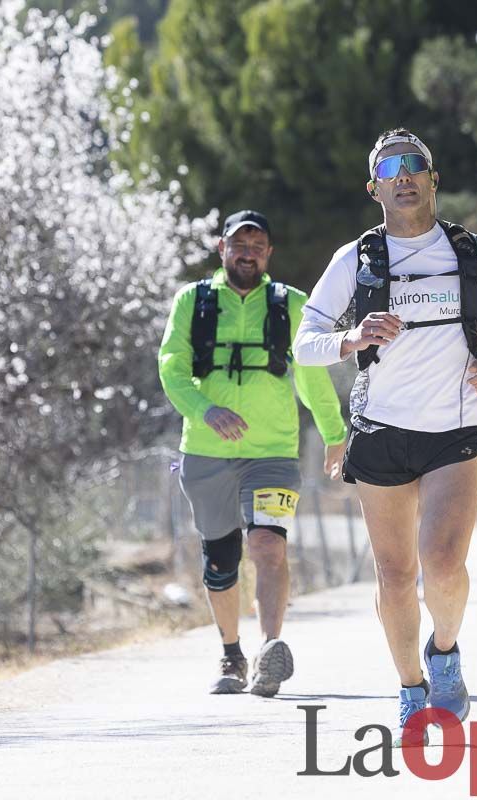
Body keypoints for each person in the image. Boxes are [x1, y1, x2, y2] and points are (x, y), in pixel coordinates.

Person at [293, 129, 477, 743]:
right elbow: (304, 342)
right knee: (395, 576)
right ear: (375, 188)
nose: (404, 174)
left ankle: (445, 653)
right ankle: (411, 688)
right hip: (381, 428)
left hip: (457, 423)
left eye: (414, 164)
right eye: (390, 168)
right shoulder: (356, 260)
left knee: (444, 563)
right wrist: (351, 338)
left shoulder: (470, 250)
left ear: (432, 179)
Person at [158, 210, 348, 697]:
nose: (247, 253)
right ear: (222, 249)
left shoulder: (291, 305)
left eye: (257, 245)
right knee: (220, 559)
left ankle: (269, 651)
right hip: (205, 450)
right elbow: (172, 370)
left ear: (269, 254)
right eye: (238, 244)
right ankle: (231, 651)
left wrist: (333, 432)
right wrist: (206, 411)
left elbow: (311, 376)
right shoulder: (193, 302)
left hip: (273, 453)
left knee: (268, 546)